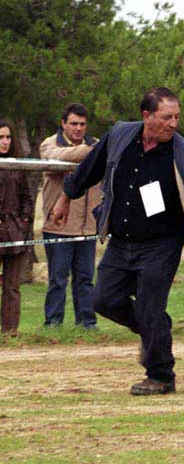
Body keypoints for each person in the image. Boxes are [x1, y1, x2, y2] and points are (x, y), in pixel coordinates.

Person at [52, 87, 184, 395]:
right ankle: (151, 327)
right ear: (147, 116)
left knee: (150, 308)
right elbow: (91, 167)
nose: (173, 124)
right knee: (103, 300)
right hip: (121, 240)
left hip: (161, 243)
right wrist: (66, 197)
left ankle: (160, 375)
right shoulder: (120, 136)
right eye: (166, 117)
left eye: (177, 117)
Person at [40, 103, 100, 329]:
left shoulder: (94, 144)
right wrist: (89, 151)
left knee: (85, 279)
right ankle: (53, 323)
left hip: (87, 227)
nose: (78, 128)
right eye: (73, 123)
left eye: (82, 124)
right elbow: (53, 157)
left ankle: (87, 323)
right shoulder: (50, 143)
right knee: (58, 279)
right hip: (58, 225)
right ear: (63, 124)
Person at [0, 121, 33, 336]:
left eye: (8, 137)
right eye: (1, 137)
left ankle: (9, 332)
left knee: (12, 287)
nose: (4, 142)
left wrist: (23, 223)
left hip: (13, 232)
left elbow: (26, 200)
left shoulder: (17, 166)